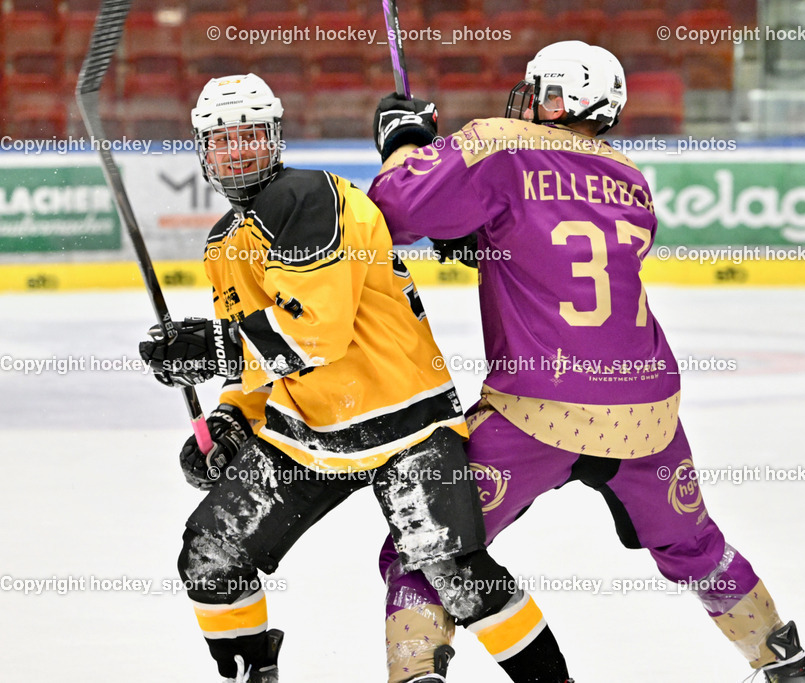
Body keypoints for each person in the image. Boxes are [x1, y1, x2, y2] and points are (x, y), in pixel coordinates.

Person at [367, 42, 805, 683]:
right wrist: (486, 241)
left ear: (563, 99)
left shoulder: (501, 142)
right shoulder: (630, 179)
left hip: (538, 408)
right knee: (696, 547)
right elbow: (555, 244)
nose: (527, 101)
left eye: (540, 91)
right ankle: (786, 665)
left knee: (424, 545)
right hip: (645, 409)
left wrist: (405, 140)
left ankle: (415, 673)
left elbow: (397, 208)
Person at [138, 74, 573, 683]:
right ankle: (251, 675)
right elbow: (261, 366)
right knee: (211, 556)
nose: (238, 151)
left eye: (251, 137)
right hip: (307, 434)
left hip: (408, 423)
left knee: (455, 572)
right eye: (223, 139)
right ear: (203, 151)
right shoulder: (225, 243)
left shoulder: (309, 198)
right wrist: (231, 421)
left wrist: (213, 348)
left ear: (276, 139)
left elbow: (315, 333)